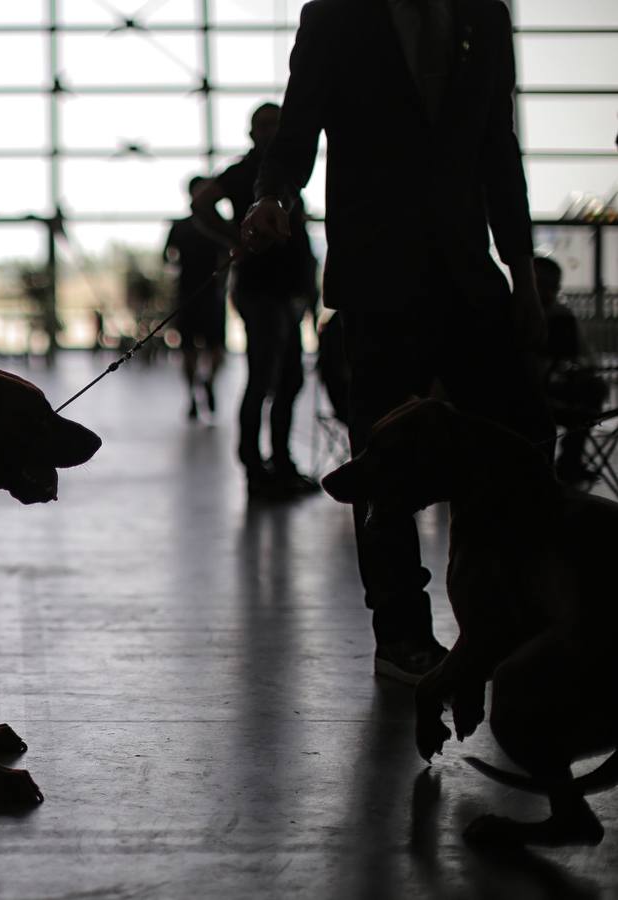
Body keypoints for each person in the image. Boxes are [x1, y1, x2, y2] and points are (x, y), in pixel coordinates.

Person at [243, 0, 554, 683]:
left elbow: (498, 148)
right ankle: (402, 636)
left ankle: (497, 613)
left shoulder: (484, 16)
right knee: (383, 460)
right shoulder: (334, 16)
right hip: (379, 276)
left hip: (467, 274)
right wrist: (274, 196)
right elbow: (298, 129)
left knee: (521, 438)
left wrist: (522, 273)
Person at [193, 104, 319, 496]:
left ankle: (278, 462)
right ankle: (257, 467)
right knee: (264, 377)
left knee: (289, 378)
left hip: (286, 292)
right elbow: (201, 202)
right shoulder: (244, 172)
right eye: (264, 126)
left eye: (275, 125)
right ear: (252, 134)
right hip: (261, 291)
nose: (270, 132)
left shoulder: (285, 177)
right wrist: (236, 238)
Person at [534, 255, 607, 484]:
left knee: (588, 396)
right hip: (534, 391)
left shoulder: (561, 316)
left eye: (551, 286)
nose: (547, 291)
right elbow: (585, 356)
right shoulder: (558, 315)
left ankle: (566, 464)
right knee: (587, 401)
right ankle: (569, 463)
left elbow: (584, 356)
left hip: (547, 390)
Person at [163, 176, 227, 421]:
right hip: (211, 294)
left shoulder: (180, 227)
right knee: (215, 349)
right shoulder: (219, 226)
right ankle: (207, 383)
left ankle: (192, 394)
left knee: (189, 350)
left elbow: (167, 258)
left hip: (187, 295)